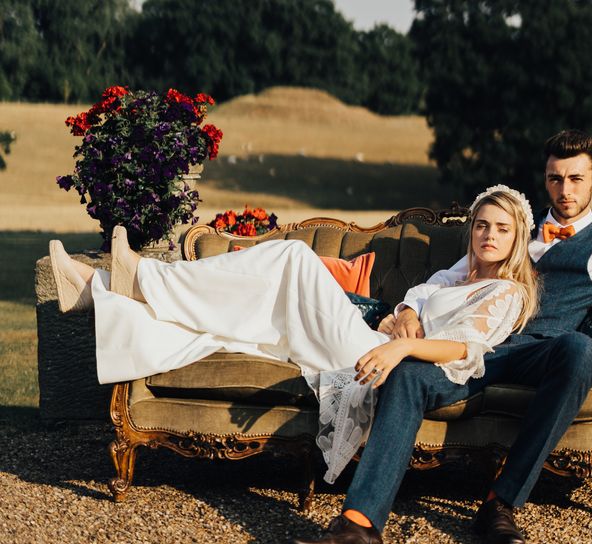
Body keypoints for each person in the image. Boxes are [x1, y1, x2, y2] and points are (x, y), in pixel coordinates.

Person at [286, 129, 592, 544]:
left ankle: (500, 503)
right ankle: (359, 526)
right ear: (545, 179)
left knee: (580, 350)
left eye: (575, 179)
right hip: (469, 353)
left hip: (536, 356)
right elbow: (442, 280)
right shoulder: (510, 230)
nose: (565, 190)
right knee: (406, 373)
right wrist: (409, 311)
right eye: (556, 178)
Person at [48, 186, 539, 514]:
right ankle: (100, 289)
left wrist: (400, 348)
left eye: (501, 230)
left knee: (292, 256)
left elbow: (464, 350)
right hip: (379, 339)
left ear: (517, 239)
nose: (488, 236)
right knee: (237, 331)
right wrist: (404, 316)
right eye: (482, 225)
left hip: (379, 358)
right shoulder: (456, 274)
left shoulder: (507, 293)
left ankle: (143, 278)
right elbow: (413, 305)